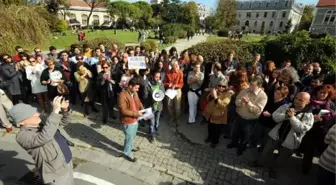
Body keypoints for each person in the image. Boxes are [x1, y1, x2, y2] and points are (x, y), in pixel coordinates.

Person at [12, 96, 74, 185]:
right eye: (32, 114)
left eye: (35, 112)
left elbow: (63, 122)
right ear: (21, 122)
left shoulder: (42, 120)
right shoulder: (22, 137)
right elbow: (44, 137)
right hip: (55, 172)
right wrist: (55, 112)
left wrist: (65, 110)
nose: (37, 114)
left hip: (66, 160)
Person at [257, 92, 314, 178]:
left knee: (282, 158)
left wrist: (292, 118)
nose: (297, 101)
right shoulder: (287, 106)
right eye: (296, 98)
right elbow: (275, 116)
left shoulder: (308, 115)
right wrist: (286, 116)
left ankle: (274, 170)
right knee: (266, 151)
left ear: (307, 102)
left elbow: (302, 128)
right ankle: (260, 163)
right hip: (276, 135)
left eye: (301, 100)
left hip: (290, 141)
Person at [249, 86, 289, 166]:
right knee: (255, 135)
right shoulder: (270, 99)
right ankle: (252, 148)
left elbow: (279, 118)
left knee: (265, 141)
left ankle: (261, 153)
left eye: (278, 94)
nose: (275, 94)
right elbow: (263, 107)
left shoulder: (284, 105)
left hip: (270, 126)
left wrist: (270, 115)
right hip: (261, 121)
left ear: (283, 95)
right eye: (275, 92)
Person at [228, 76, 268, 156]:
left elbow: (257, 110)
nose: (250, 86)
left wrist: (248, 103)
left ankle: (241, 149)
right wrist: (241, 102)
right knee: (235, 132)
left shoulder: (263, 97)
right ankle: (233, 143)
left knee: (245, 136)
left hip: (249, 121)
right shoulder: (245, 90)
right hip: (239, 116)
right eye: (250, 84)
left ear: (259, 86)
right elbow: (237, 101)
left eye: (253, 85)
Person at [301, 85, 336, 174]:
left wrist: (324, 120)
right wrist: (312, 117)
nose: (322, 94)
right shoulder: (310, 101)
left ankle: (322, 168)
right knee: (309, 150)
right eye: (320, 92)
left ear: (328, 94)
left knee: (321, 150)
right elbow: (303, 112)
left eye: (324, 93)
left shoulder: (331, 104)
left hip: (323, 132)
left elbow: (332, 119)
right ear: (316, 91)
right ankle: (306, 169)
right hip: (310, 130)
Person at [118, 77, 144, 162]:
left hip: (135, 120)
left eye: (138, 88)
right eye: (136, 87)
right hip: (127, 121)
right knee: (129, 137)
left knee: (131, 136)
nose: (137, 89)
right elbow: (123, 110)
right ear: (130, 86)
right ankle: (127, 153)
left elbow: (139, 102)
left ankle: (130, 147)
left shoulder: (134, 93)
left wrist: (143, 110)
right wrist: (136, 114)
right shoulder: (122, 95)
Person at [203, 80, 233, 148]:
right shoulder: (215, 91)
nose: (221, 88)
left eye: (223, 86)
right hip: (210, 113)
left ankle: (215, 141)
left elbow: (223, 105)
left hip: (219, 115)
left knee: (217, 130)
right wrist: (211, 94)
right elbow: (208, 99)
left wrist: (216, 96)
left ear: (226, 87)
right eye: (219, 86)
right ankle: (209, 137)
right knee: (210, 127)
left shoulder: (228, 94)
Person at [144, 71, 165, 143]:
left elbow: (163, 93)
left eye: (159, 77)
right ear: (152, 76)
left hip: (159, 106)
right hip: (151, 106)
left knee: (157, 121)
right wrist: (151, 96)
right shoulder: (148, 85)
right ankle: (152, 135)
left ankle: (156, 130)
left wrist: (160, 95)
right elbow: (145, 96)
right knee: (152, 122)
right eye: (156, 77)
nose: (157, 78)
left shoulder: (160, 84)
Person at [163, 59, 184, 125]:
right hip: (169, 90)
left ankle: (177, 119)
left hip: (177, 90)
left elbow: (181, 84)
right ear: (172, 66)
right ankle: (172, 117)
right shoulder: (168, 72)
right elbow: (164, 82)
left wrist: (176, 85)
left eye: (177, 65)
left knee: (177, 107)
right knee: (169, 105)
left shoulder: (180, 72)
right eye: (175, 65)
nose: (177, 66)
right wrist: (168, 84)